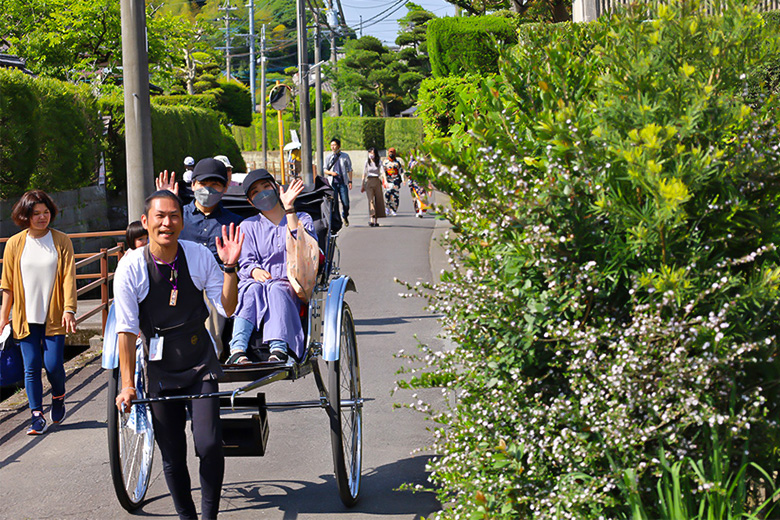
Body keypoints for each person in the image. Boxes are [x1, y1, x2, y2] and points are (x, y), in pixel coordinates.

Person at [114, 190, 243, 520]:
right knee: (172, 453)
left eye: (173, 216)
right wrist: (127, 384)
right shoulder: (131, 267)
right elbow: (126, 331)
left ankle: (209, 516)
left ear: (182, 221)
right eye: (159, 217)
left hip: (200, 362)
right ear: (146, 222)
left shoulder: (198, 256)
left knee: (209, 444)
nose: (166, 223)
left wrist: (230, 267)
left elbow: (227, 307)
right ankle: (187, 517)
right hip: (159, 368)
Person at [0, 190, 77, 435]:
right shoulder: (15, 243)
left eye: (46, 213)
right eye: (36, 214)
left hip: (54, 314)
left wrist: (69, 309)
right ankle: (36, 415)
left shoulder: (61, 240)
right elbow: (7, 284)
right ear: (25, 216)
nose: (42, 217)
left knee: (53, 365)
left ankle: (58, 395)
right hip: (24, 316)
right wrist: (3, 317)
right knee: (30, 367)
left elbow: (68, 277)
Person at [226, 169, 315, 365]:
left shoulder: (303, 218)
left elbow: (304, 250)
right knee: (250, 288)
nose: (263, 193)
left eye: (266, 187)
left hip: (292, 283)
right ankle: (237, 348)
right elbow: (246, 261)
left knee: (276, 288)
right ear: (250, 201)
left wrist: (289, 208)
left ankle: (279, 348)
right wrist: (253, 271)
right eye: (255, 192)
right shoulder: (247, 226)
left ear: (276, 188)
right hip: (259, 282)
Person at [178, 158, 244, 357]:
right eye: (203, 184)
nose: (208, 189)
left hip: (218, 280)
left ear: (224, 188)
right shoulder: (177, 217)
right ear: (193, 185)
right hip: (180, 278)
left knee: (210, 297)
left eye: (215, 184)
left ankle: (211, 354)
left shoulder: (235, 223)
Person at [323, 138, 353, 227]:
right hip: (333, 183)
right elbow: (325, 169)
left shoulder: (345, 156)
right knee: (334, 202)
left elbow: (350, 169)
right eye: (331, 145)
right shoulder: (328, 157)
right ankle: (338, 220)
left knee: (346, 202)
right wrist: (331, 173)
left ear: (339, 146)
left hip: (342, 182)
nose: (333, 147)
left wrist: (350, 181)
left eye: (334, 145)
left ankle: (345, 215)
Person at [360, 147, 386, 227]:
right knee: (371, 200)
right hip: (369, 181)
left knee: (378, 200)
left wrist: (385, 181)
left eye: (372, 153)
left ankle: (376, 220)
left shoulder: (379, 162)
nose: (371, 155)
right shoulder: (367, 162)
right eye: (369, 153)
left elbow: (382, 172)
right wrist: (362, 185)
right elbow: (364, 174)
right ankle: (372, 218)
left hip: (377, 181)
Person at [382, 147, 405, 216]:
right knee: (387, 194)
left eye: (392, 152)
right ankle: (387, 208)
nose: (391, 154)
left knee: (395, 196)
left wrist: (403, 179)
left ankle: (393, 209)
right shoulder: (385, 162)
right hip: (388, 180)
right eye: (390, 152)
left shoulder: (397, 162)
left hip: (395, 181)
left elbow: (401, 171)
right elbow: (383, 171)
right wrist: (385, 180)